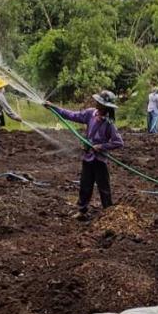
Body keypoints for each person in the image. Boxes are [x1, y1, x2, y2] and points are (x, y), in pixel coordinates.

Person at [47, 90, 125, 219]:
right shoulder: (90, 113)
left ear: (106, 107)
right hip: (88, 157)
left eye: (100, 103)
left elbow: (118, 142)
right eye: (98, 102)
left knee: (104, 187)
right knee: (85, 185)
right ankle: (82, 210)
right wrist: (54, 107)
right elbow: (72, 115)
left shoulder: (109, 124)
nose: (97, 104)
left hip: (100, 160)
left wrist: (101, 146)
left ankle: (108, 213)